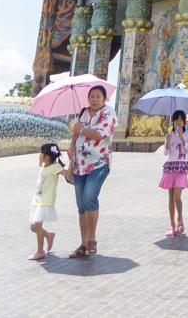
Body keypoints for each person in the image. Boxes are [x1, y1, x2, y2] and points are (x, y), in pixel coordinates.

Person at [68, 85, 116, 257]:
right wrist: (71, 146)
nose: (94, 99)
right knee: (81, 205)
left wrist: (79, 128)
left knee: (89, 197)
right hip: (79, 164)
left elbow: (99, 135)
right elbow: (75, 136)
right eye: (92, 96)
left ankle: (92, 239)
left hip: (99, 163)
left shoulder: (109, 114)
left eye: (98, 96)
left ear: (104, 98)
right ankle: (83, 243)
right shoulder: (83, 114)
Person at [28, 143, 66, 260]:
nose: (39, 156)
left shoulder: (56, 167)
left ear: (47, 157)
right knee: (33, 227)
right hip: (38, 200)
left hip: (45, 201)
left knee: (38, 225)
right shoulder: (45, 166)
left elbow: (67, 174)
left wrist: (73, 159)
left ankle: (40, 251)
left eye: (41, 154)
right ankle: (49, 235)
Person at [159, 110, 188, 237]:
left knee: (177, 197)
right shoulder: (169, 134)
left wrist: (181, 138)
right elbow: (166, 152)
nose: (178, 122)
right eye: (176, 119)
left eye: (181, 119)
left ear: (184, 122)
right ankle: (172, 225)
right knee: (170, 198)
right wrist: (168, 141)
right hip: (170, 167)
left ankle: (180, 219)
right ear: (172, 121)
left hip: (181, 168)